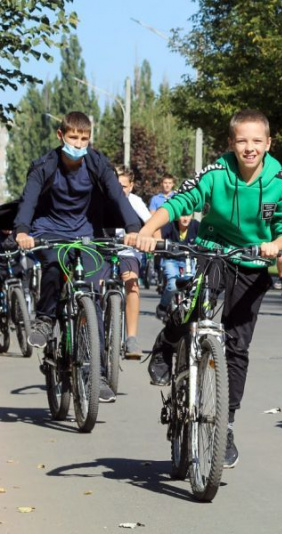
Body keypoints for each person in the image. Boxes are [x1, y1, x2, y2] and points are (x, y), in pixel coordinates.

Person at [128, 109, 282, 468]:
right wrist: (148, 231)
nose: (249, 148)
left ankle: (227, 423)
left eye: (257, 141)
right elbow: (180, 202)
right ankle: (167, 343)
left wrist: (276, 246)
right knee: (191, 305)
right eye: (242, 141)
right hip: (213, 251)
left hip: (253, 261)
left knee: (237, 345)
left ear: (268, 143)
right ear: (231, 143)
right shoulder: (215, 173)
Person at [14, 111, 142, 403]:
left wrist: (133, 227)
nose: (79, 143)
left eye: (84, 138)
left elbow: (116, 195)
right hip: (48, 229)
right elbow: (29, 198)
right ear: (61, 136)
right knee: (52, 265)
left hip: (86, 232)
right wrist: (23, 230)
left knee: (90, 296)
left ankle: (96, 373)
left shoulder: (96, 163)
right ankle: (45, 318)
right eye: (73, 137)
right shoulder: (46, 165)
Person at [115, 165, 154, 359]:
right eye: (116, 185)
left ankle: (131, 338)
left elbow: (152, 224)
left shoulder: (136, 202)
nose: (120, 189)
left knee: (132, 283)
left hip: (127, 251)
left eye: (123, 186)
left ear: (131, 186)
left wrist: (154, 241)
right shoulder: (102, 198)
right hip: (103, 249)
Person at [155, 212, 200, 319]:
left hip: (189, 260)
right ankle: (163, 306)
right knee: (173, 285)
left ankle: (192, 309)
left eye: (188, 215)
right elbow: (159, 236)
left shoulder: (196, 225)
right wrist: (159, 243)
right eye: (182, 215)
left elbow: (204, 240)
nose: (185, 218)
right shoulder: (170, 225)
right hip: (171, 259)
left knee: (194, 285)